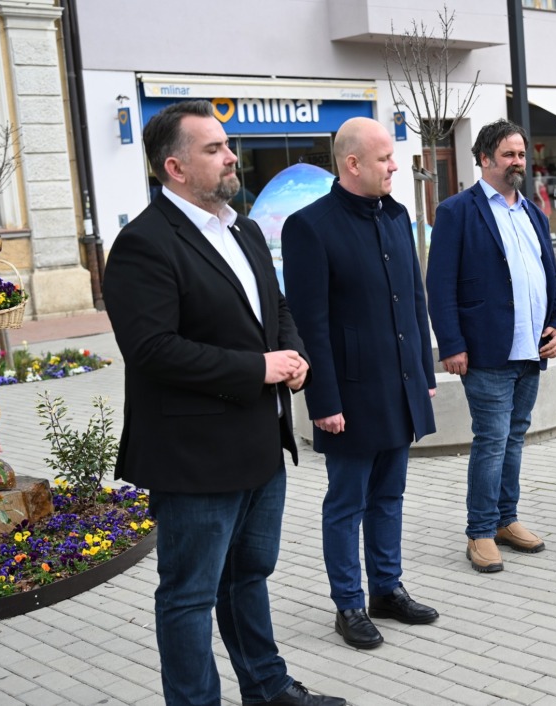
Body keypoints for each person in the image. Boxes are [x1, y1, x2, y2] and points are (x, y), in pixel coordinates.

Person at [102, 100, 346, 706]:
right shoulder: (143, 243)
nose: (231, 156)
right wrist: (258, 368)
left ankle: (267, 687)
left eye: (227, 144)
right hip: (195, 457)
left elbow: (276, 307)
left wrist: (294, 355)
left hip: (261, 443)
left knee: (249, 577)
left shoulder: (244, 229)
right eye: (213, 149)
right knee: (189, 595)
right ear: (176, 167)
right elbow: (152, 350)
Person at [282, 117, 439, 650]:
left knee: (390, 495)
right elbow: (310, 323)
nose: (394, 166)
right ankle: (348, 603)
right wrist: (323, 400)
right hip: (348, 393)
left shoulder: (395, 215)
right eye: (384, 158)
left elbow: (413, 301)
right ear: (352, 164)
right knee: (346, 503)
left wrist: (423, 374)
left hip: (399, 384)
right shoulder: (310, 226)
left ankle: (386, 589)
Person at [426, 119, 556, 573]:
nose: (518, 162)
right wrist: (451, 344)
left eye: (522, 154)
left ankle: (506, 519)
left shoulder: (534, 214)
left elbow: (552, 277)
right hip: (485, 350)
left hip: (531, 349)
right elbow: (439, 284)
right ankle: (480, 531)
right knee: (491, 440)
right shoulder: (456, 211)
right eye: (509, 154)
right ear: (485, 159)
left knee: (514, 437)